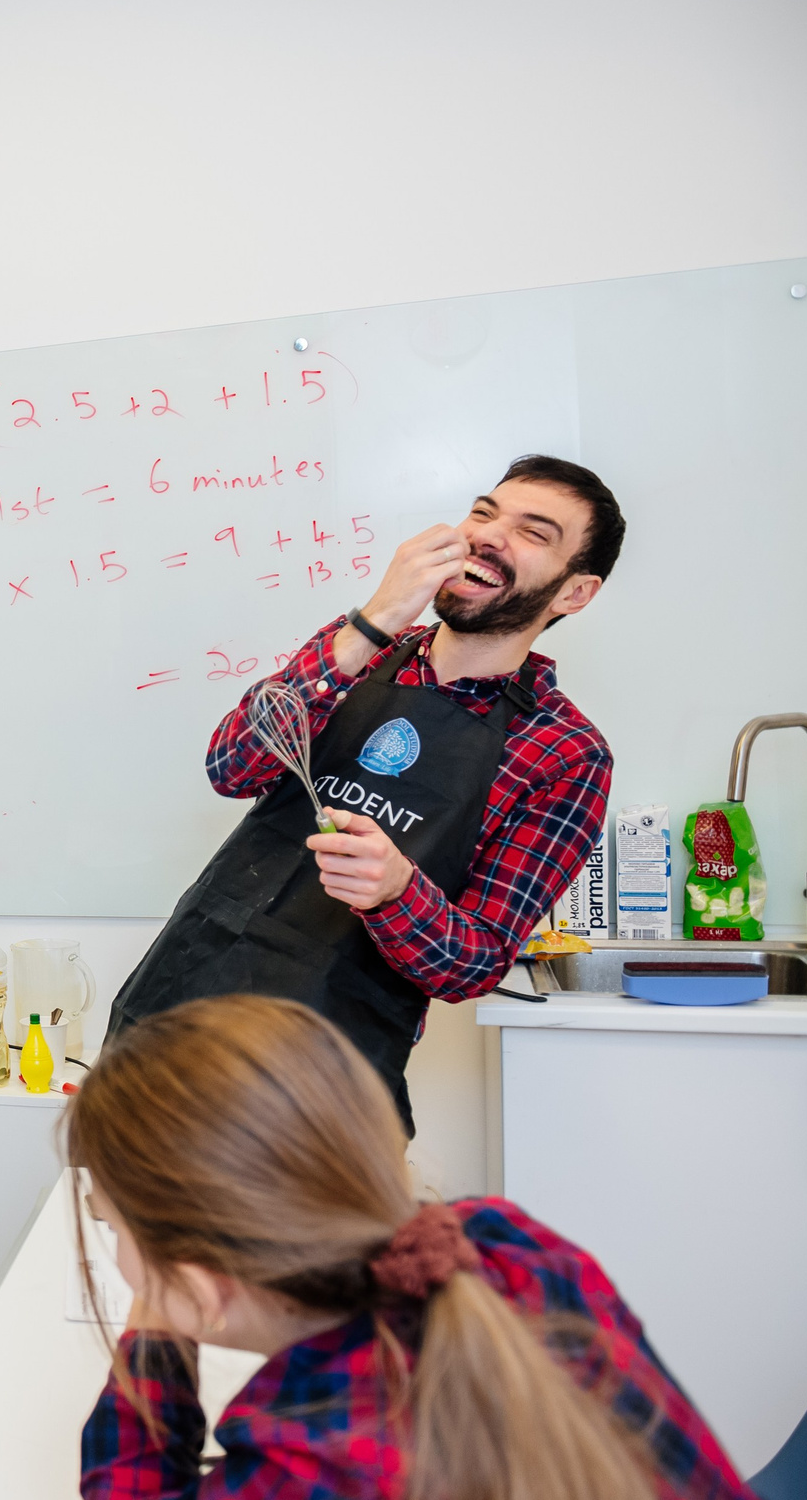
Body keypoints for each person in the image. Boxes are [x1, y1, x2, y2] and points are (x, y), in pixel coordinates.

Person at [71, 994, 807, 1500]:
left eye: (112, 1224)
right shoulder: (504, 1241)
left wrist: (157, 1323)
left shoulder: (310, 1476)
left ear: (203, 1287)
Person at [108, 455, 622, 1130]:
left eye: (534, 532)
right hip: (174, 1020)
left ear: (574, 593)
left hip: (320, 1094)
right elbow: (231, 765)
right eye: (484, 512)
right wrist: (377, 618)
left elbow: (476, 963)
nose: (490, 534)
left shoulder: (564, 752)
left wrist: (396, 889)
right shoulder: (362, 648)